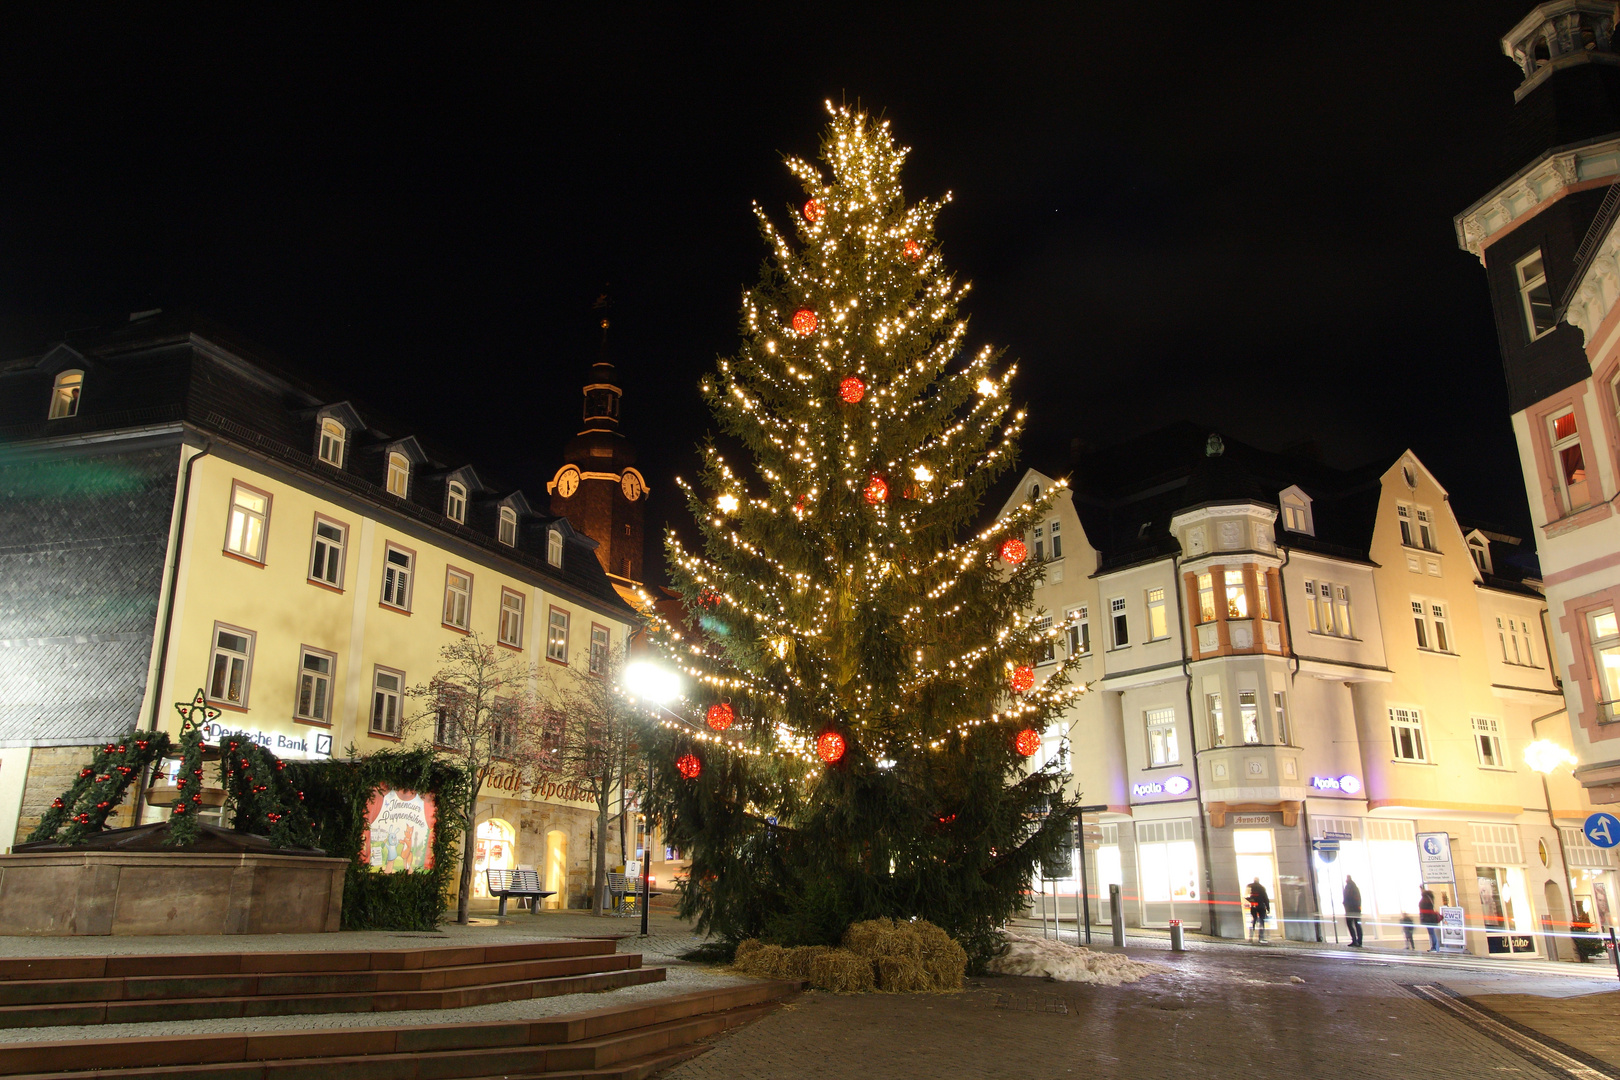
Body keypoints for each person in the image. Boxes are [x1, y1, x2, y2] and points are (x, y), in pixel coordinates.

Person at [1247, 877, 1271, 943]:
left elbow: (1247, 896)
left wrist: (1251, 901)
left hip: (1254, 906)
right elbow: (1265, 898)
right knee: (1261, 921)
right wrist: (1268, 907)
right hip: (1261, 906)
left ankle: (1251, 936)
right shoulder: (1261, 888)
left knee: (1254, 920)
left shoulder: (1250, 886)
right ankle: (1261, 937)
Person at [1343, 874, 1363, 947]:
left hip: (1351, 909)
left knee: (1352, 924)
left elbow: (1349, 898)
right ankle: (1358, 941)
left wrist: (1346, 904)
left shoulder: (1349, 887)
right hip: (1354, 909)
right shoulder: (1353, 887)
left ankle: (1355, 940)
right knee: (1357, 924)